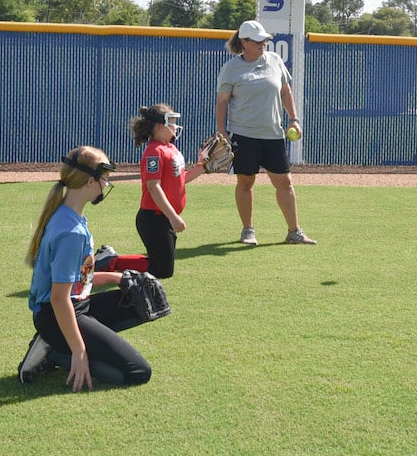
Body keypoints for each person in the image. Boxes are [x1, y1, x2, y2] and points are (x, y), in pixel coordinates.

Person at [19, 146, 152, 390]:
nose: (107, 183)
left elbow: (79, 279)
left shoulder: (70, 216)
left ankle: (60, 343)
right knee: (138, 372)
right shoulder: (71, 232)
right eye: (105, 178)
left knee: (139, 301)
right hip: (57, 315)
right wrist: (79, 350)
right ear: (91, 181)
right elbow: (59, 298)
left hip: (76, 305)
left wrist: (117, 277)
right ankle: (53, 351)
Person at [215, 20, 316, 246]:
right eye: (259, 40)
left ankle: (294, 232)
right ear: (244, 42)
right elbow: (222, 103)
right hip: (243, 134)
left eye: (265, 40)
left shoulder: (275, 60)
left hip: (274, 134)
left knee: (285, 183)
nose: (264, 43)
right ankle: (248, 230)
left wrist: (294, 120)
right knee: (245, 182)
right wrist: (222, 132)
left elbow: (285, 91)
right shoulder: (231, 68)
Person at [94, 104, 208, 279]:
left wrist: (202, 168)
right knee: (162, 270)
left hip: (162, 218)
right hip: (153, 218)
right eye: (173, 123)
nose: (177, 127)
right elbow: (153, 186)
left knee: (161, 266)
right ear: (161, 127)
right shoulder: (154, 151)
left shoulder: (170, 147)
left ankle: (110, 259)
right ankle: (111, 261)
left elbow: (180, 179)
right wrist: (172, 216)